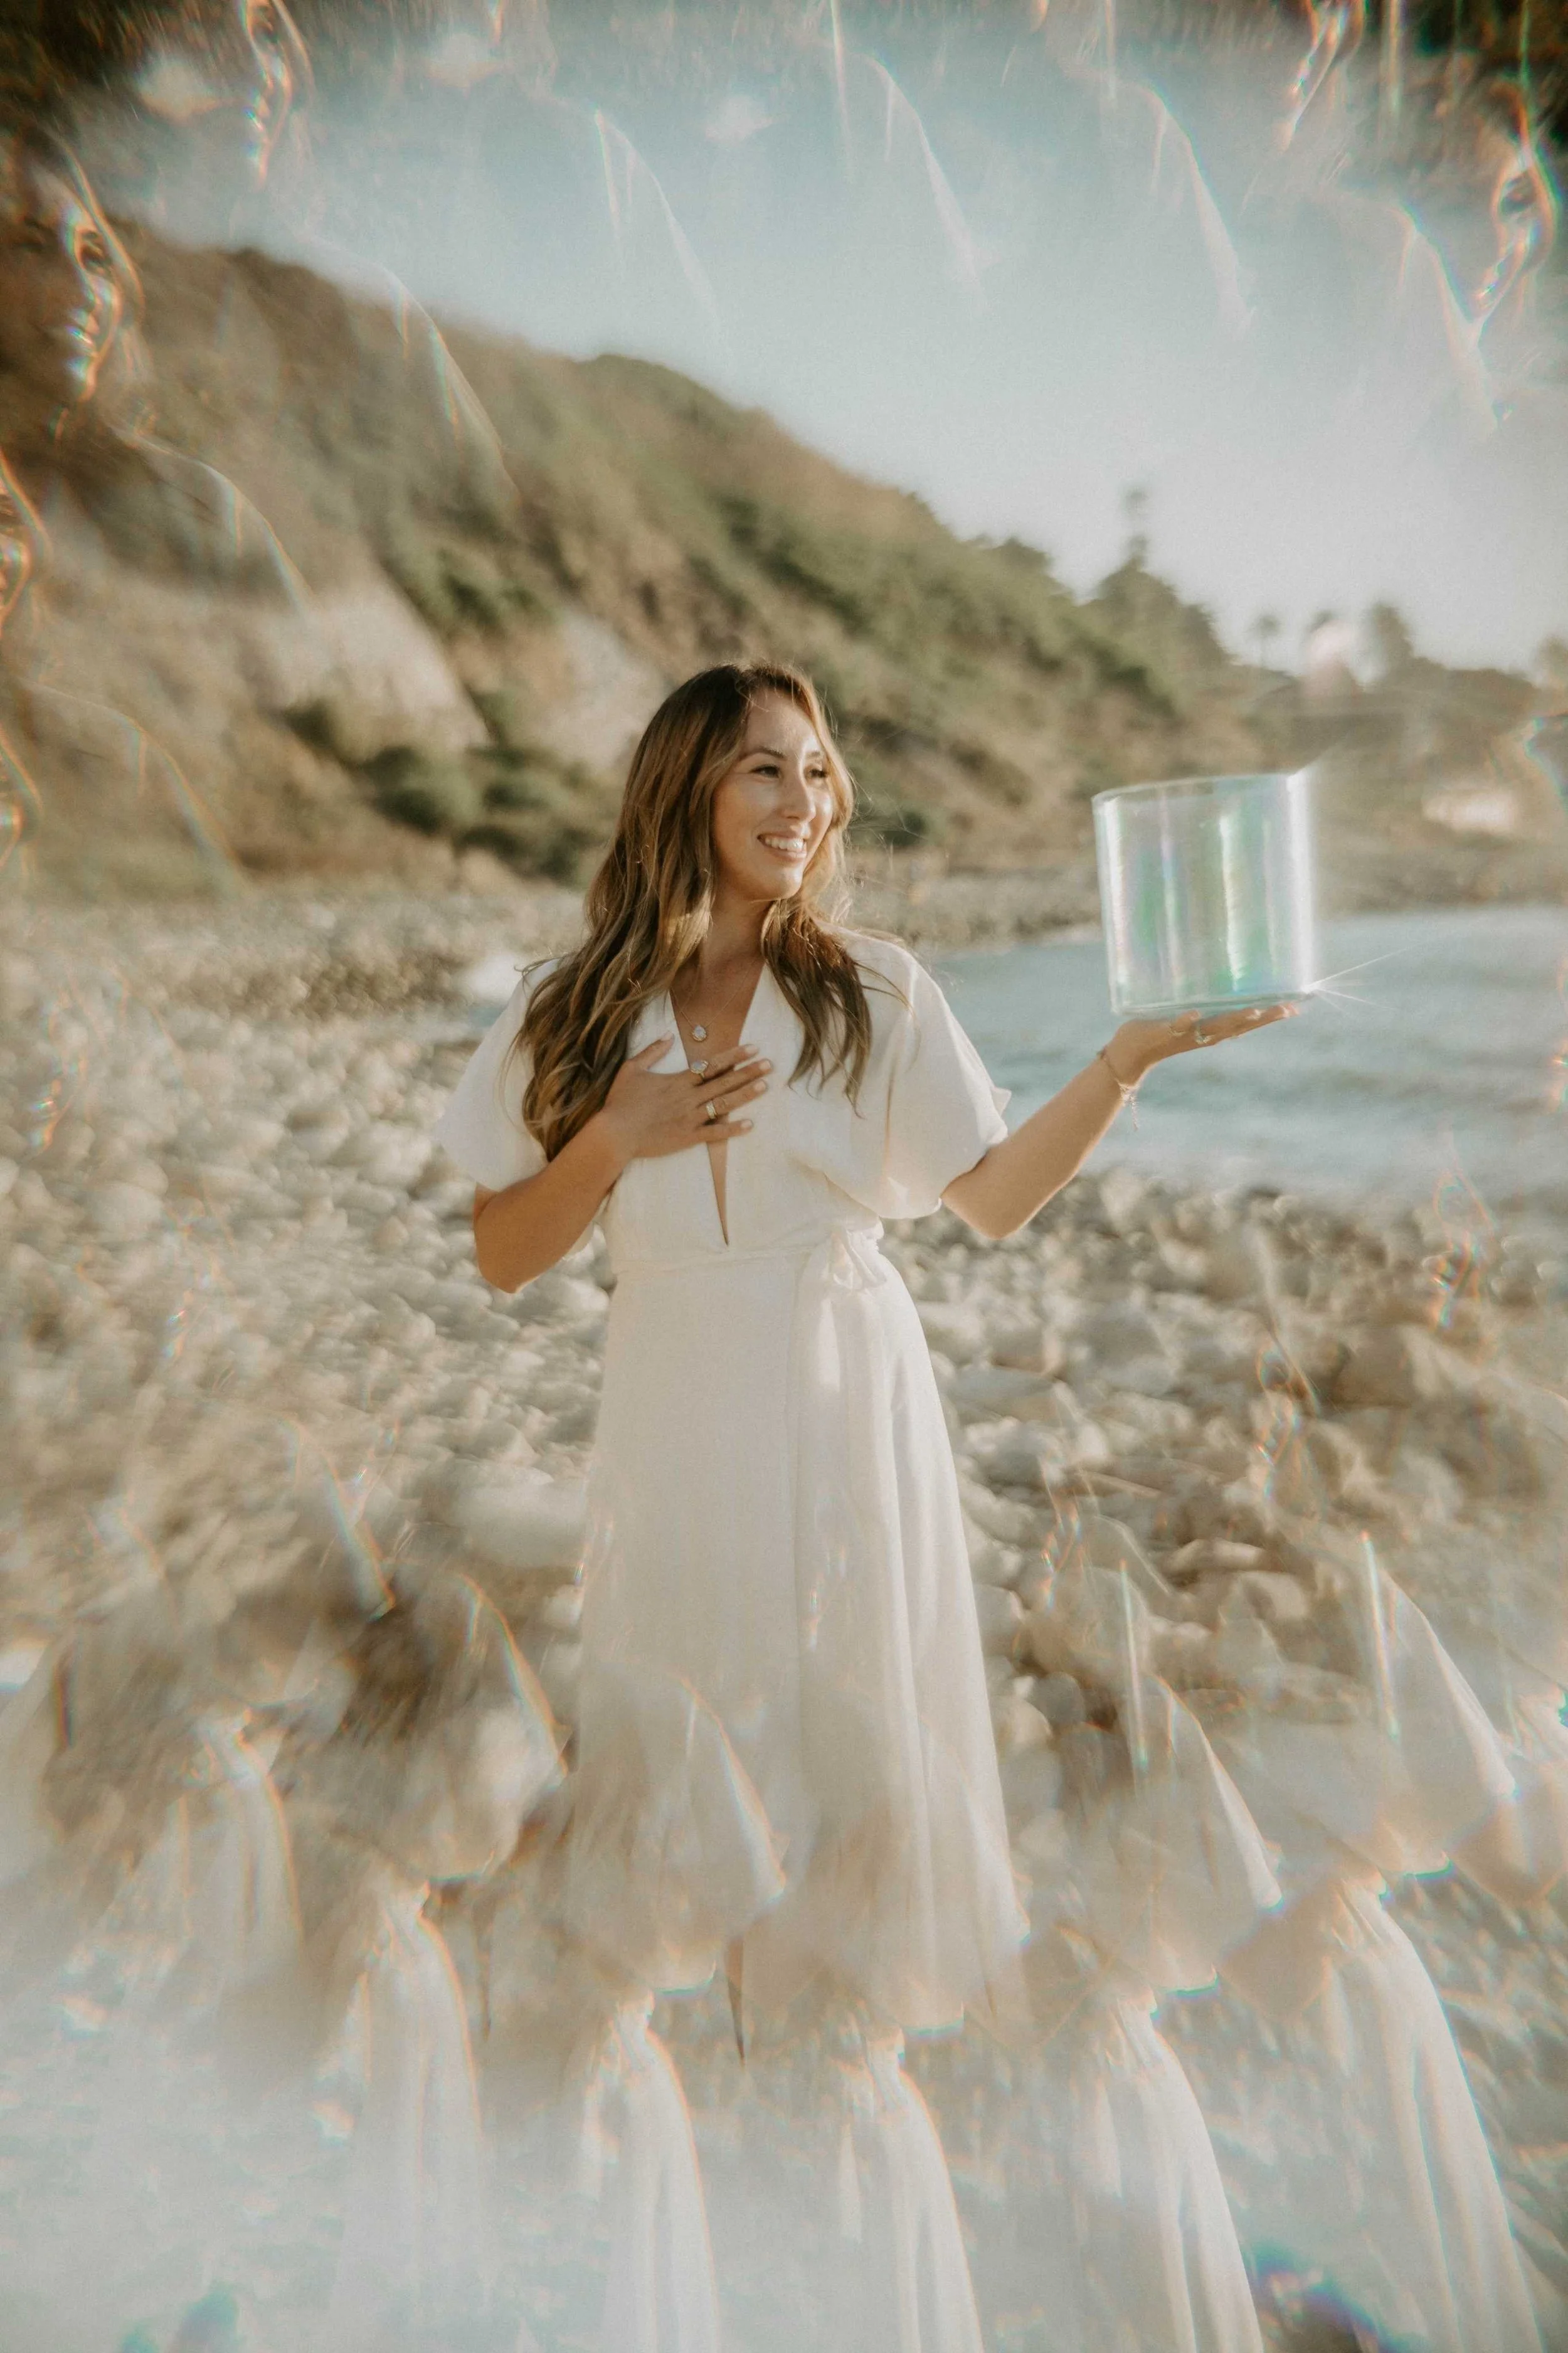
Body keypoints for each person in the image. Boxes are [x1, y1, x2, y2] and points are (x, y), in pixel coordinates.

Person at [432, 659, 1290, 2325]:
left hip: (845, 1388)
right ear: (684, 782)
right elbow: (499, 1252)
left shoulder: (872, 990)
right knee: (692, 1735)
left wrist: (1123, 1058)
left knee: (850, 1737)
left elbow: (981, 1205)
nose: (802, 805)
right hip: (673, 1395)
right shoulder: (569, 1002)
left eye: (821, 776)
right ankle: (714, 2127)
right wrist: (612, 1137)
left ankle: (841, 2156)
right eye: (766, 770)